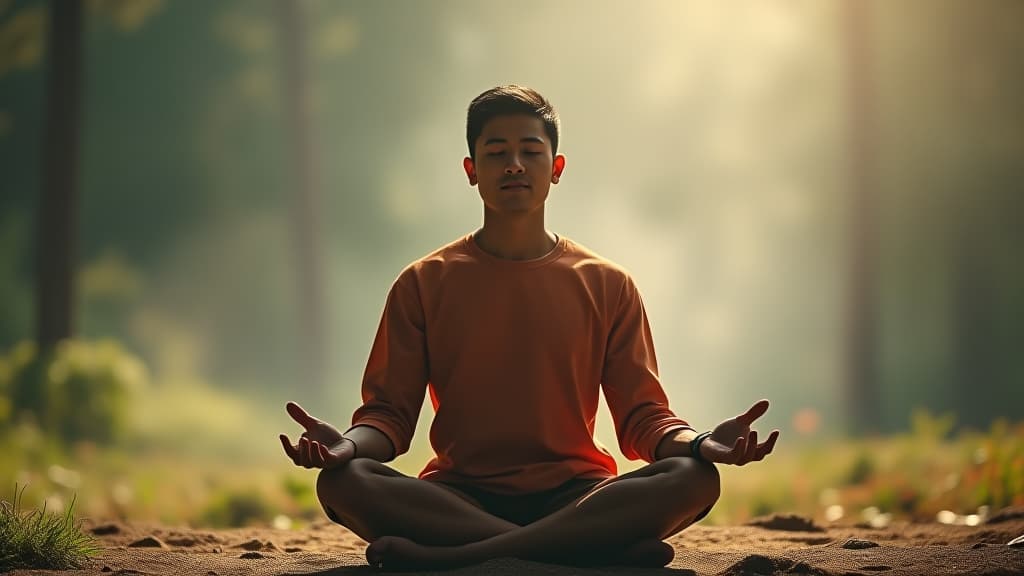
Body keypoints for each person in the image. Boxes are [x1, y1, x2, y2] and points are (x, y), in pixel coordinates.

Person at [280, 85, 780, 570]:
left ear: (556, 168)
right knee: (344, 482)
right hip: (459, 496)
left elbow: (643, 419)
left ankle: (463, 556)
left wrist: (701, 444)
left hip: (578, 495)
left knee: (693, 478)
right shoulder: (424, 282)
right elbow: (388, 417)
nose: (514, 165)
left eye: (530, 151)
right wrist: (345, 446)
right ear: (471, 171)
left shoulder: (607, 283)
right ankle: (590, 551)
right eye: (496, 152)